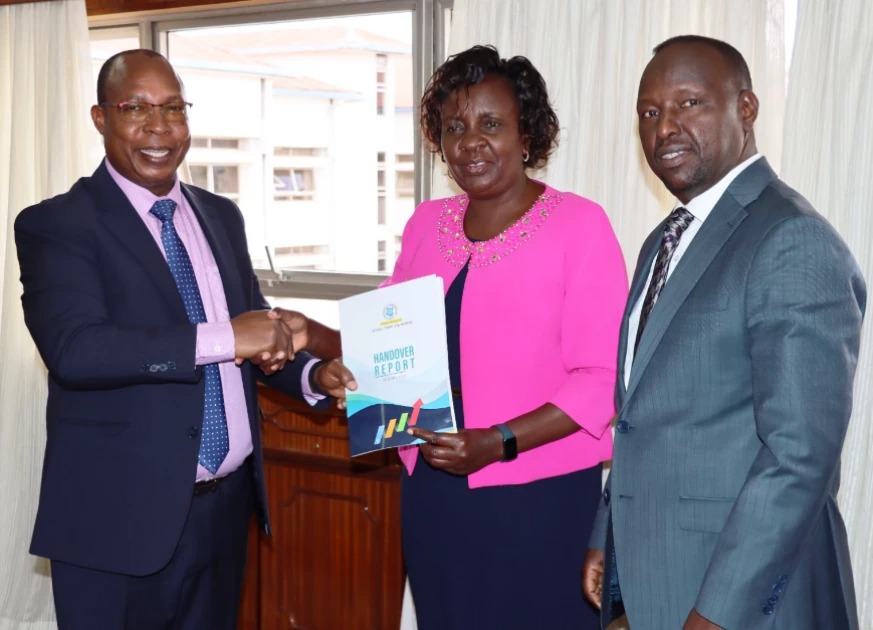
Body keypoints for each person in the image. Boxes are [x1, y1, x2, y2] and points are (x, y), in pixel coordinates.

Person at [14, 49, 355, 629]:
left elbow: (254, 338)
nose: (158, 126)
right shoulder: (57, 223)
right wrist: (226, 336)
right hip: (118, 526)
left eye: (173, 108)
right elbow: (77, 350)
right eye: (136, 108)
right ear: (100, 117)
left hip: (224, 516)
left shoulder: (221, 215)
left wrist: (313, 375)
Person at [582, 35, 866, 630]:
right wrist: (610, 532)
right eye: (650, 113)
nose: (665, 129)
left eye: (689, 103)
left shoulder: (792, 239)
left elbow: (801, 456)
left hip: (743, 598)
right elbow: (638, 417)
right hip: (656, 575)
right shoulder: (660, 244)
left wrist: (720, 611)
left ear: (746, 109)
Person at [386, 45, 627, 629]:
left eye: (490, 124)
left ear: (528, 134)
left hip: (537, 493)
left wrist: (498, 441)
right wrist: (323, 346)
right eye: (454, 127)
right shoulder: (425, 224)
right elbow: (391, 341)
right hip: (433, 489)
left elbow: (604, 382)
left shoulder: (580, 224)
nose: (471, 142)